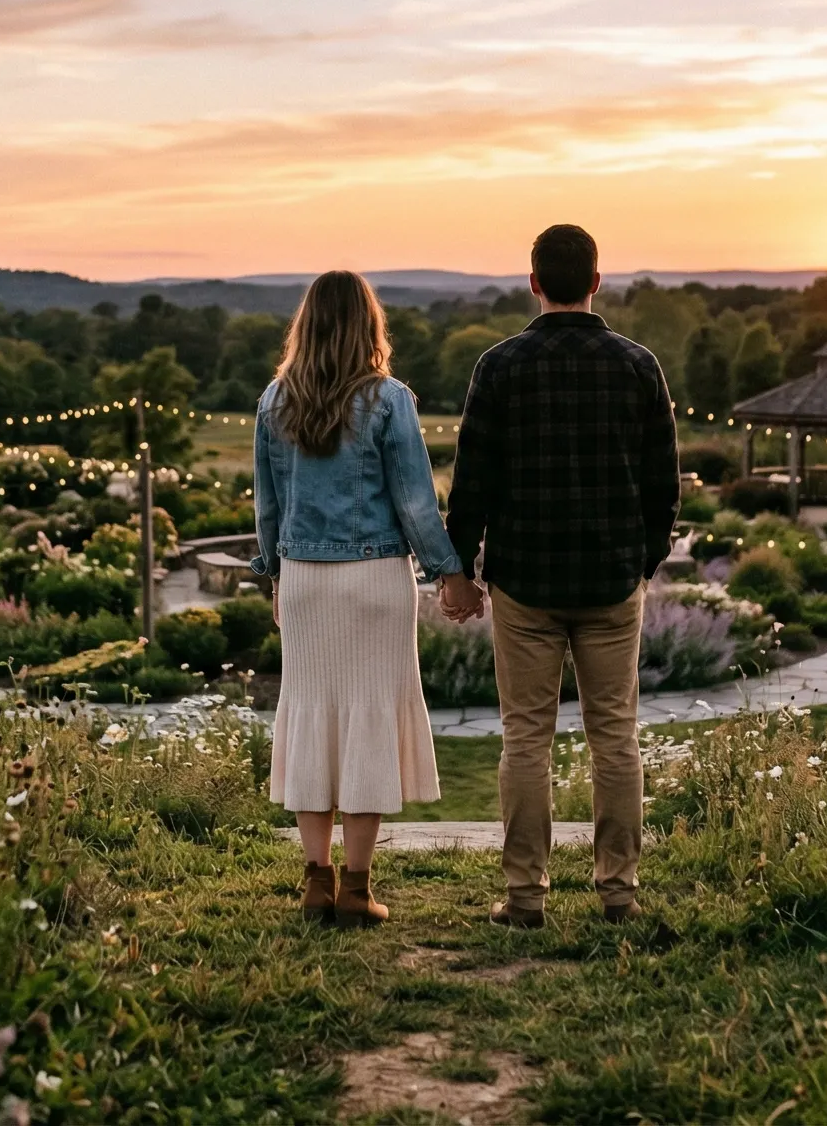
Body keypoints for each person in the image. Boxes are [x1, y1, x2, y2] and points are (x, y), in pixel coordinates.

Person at [441, 224, 678, 926]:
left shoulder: (500, 366)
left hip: (525, 582)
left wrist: (459, 569)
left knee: (525, 739)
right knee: (616, 737)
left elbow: (473, 482)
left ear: (534, 281)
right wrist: (641, 564)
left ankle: (524, 897)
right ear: (597, 282)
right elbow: (664, 487)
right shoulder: (639, 366)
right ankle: (619, 894)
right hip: (610, 581)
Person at [252, 270, 481, 927]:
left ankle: (316, 881)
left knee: (313, 719)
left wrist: (273, 574)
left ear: (307, 324)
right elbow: (414, 500)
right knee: (367, 720)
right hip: (376, 578)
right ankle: (357, 887)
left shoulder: (274, 400)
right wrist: (449, 572)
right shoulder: (389, 399)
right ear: (368, 325)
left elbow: (267, 505)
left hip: (304, 580)